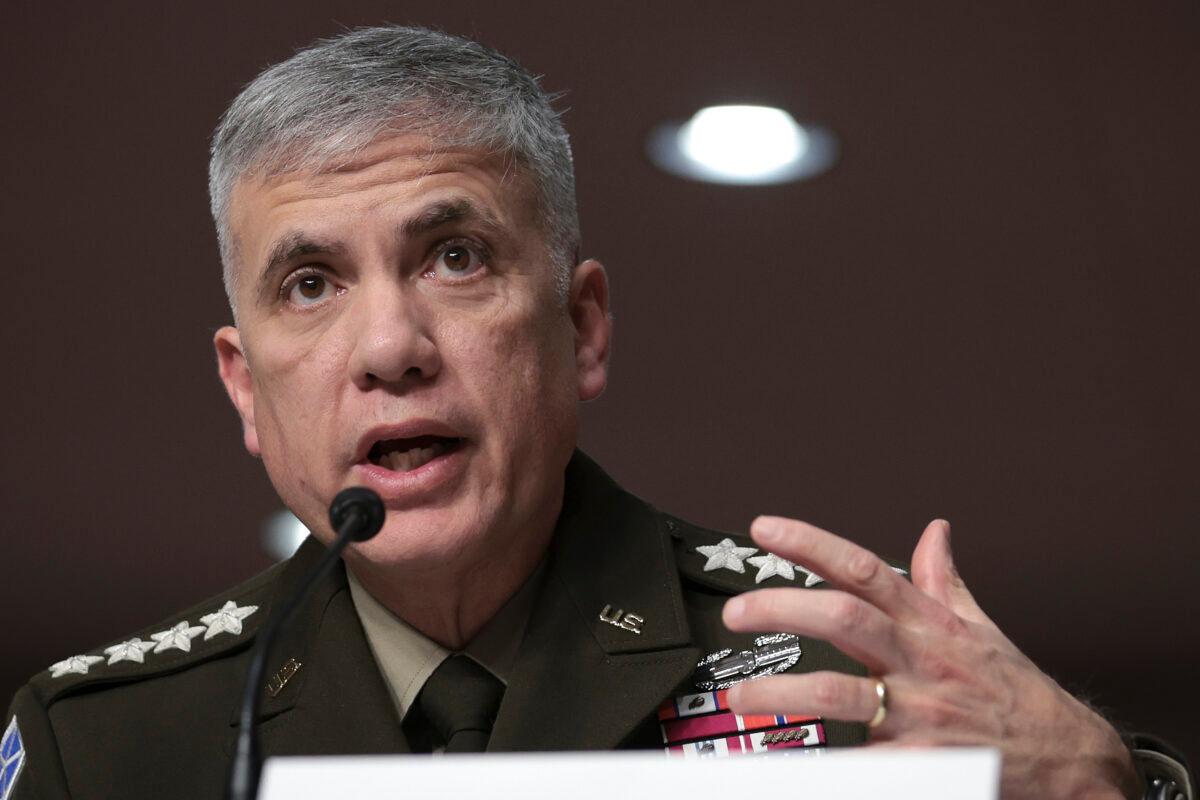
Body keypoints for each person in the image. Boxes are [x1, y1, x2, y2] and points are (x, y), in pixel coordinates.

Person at [1, 25, 1191, 800]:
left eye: (455, 256)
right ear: (245, 387)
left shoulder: (854, 679)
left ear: (583, 328)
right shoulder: (104, 747)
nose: (389, 349)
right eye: (310, 284)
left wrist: (1107, 787)